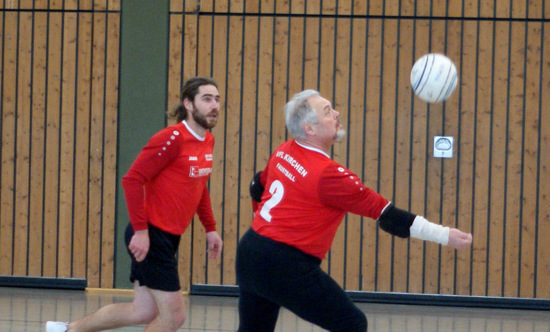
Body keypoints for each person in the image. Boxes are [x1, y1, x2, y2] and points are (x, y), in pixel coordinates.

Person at [237, 89, 473, 332]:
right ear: (309, 129)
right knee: (351, 324)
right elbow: (387, 214)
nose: (337, 114)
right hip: (285, 265)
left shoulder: (284, 150)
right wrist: (445, 235)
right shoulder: (328, 175)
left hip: (250, 252)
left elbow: (257, 186)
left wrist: (260, 220)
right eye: (328, 112)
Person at [46, 77, 224, 332]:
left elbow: (199, 185)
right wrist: (141, 231)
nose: (214, 105)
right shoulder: (172, 138)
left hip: (169, 237)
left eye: (216, 99)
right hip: (151, 235)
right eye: (206, 99)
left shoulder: (207, 140)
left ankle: (65, 330)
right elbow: (132, 180)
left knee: (143, 311)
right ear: (188, 103)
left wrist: (210, 228)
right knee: (174, 318)